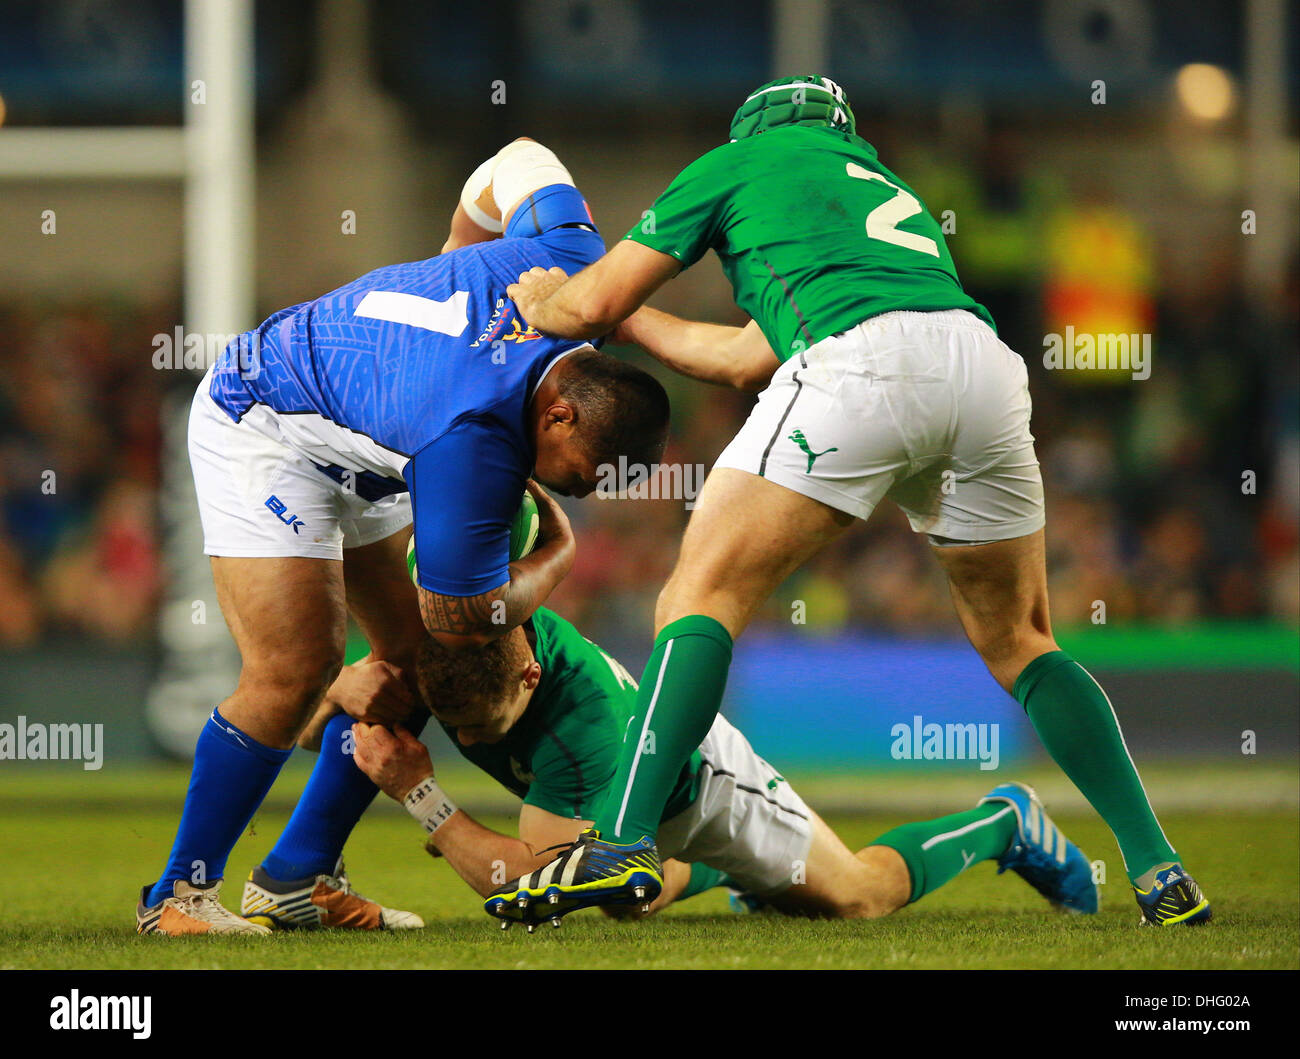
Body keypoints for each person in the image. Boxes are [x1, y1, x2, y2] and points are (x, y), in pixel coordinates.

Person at [492, 77, 1210, 928]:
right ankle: (1159, 868)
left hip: (859, 367)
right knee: (1022, 640)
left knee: (698, 596)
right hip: (979, 366)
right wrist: (629, 323)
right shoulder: (883, 189)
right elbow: (738, 355)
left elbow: (594, 301)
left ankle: (620, 839)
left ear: (751, 125)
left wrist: (550, 302)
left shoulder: (737, 162)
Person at [136, 138, 670, 936]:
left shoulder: (570, 260)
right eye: (586, 471)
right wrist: (556, 556)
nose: (583, 491)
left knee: (411, 661)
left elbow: (517, 156)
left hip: (366, 433)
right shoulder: (474, 449)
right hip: (265, 420)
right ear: (560, 412)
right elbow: (466, 615)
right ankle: (177, 896)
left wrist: (460, 253)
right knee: (298, 667)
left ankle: (296, 875)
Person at [342, 608, 1096, 929]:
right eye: (455, 726)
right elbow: (309, 713)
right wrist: (339, 687)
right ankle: (713, 874)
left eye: (482, 728)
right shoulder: (461, 644)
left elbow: (525, 881)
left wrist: (422, 794)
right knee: (625, 903)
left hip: (705, 790)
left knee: (859, 898)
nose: (466, 737)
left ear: (532, 678)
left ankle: (1005, 820)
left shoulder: (580, 731)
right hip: (629, 811)